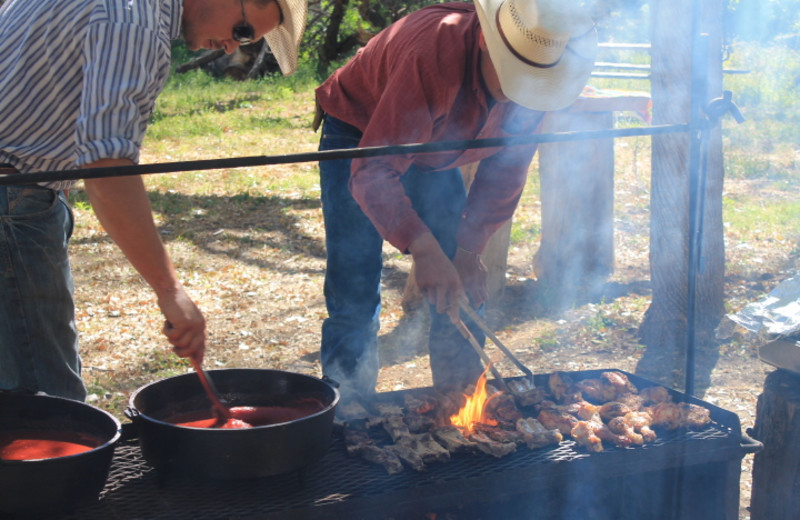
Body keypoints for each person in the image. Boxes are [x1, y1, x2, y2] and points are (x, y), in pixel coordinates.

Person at [0, 0, 307, 401]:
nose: (232, 47)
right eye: (244, 31)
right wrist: (170, 291)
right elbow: (107, 164)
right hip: (11, 203)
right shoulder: (134, 19)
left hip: (22, 192)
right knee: (48, 408)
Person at [314, 0, 597, 404]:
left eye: (532, 80)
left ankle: (463, 405)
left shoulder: (537, 84)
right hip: (361, 131)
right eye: (514, 77)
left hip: (435, 146)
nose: (520, 93)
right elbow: (374, 171)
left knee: (461, 285)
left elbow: (505, 173)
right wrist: (423, 248)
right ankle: (350, 412)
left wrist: (467, 250)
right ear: (486, 42)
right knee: (355, 283)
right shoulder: (431, 57)